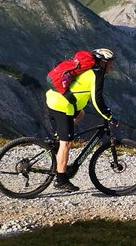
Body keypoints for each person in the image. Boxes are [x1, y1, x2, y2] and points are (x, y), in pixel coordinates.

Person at [45, 48, 118, 192]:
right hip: (62, 106)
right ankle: (61, 180)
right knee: (66, 143)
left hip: (55, 99)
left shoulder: (87, 70)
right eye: (110, 63)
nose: (112, 66)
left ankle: (58, 138)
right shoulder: (97, 74)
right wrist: (108, 116)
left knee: (81, 114)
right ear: (103, 63)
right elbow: (97, 101)